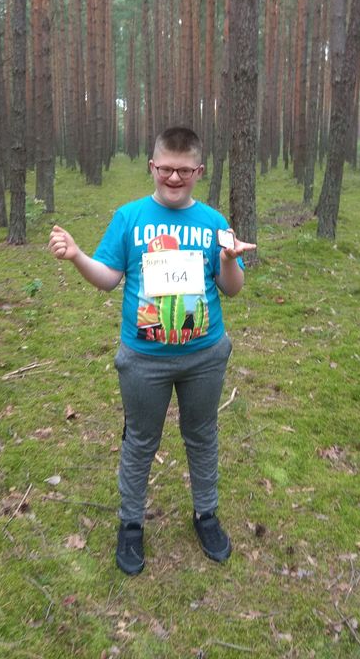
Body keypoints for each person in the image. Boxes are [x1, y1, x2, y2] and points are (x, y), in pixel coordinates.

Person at [48, 127, 256, 575]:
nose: (174, 177)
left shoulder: (214, 223)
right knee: (141, 440)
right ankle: (131, 525)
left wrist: (227, 260)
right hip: (143, 360)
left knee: (202, 434)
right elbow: (108, 279)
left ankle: (206, 515)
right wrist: (78, 256)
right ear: (152, 167)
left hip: (205, 354)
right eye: (166, 168)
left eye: (184, 170)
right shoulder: (129, 218)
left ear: (199, 171)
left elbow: (233, 289)